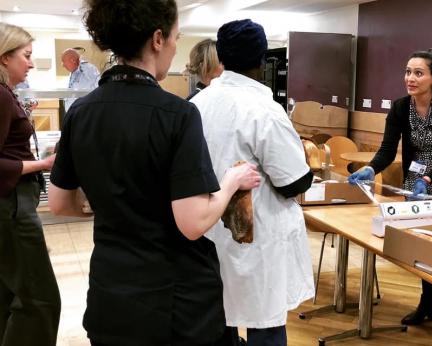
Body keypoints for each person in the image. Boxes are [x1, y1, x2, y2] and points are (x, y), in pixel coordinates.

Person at [48, 1, 261, 346]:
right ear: (158, 39)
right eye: (176, 38)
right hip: (173, 305)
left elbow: (59, 203)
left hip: (110, 296)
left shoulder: (80, 112)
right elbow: (192, 222)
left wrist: (113, 207)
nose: (176, 48)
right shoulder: (177, 114)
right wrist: (230, 183)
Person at [191, 19, 315, 346]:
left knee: (221, 318)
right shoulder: (265, 110)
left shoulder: (196, 105)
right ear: (263, 61)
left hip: (207, 232)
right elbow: (294, 183)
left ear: (222, 58)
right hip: (256, 238)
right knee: (265, 324)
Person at [348, 48, 432, 346]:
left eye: (418, 73)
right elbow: (387, 149)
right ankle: (428, 303)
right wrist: (370, 169)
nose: (410, 78)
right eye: (408, 71)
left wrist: (427, 178)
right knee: (423, 240)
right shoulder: (400, 108)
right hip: (420, 178)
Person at [0, 23, 61, 346]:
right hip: (12, 206)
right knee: (39, 300)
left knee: (10, 295)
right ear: (4, 57)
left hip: (11, 204)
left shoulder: (7, 94)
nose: (31, 63)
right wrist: (43, 164)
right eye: (26, 56)